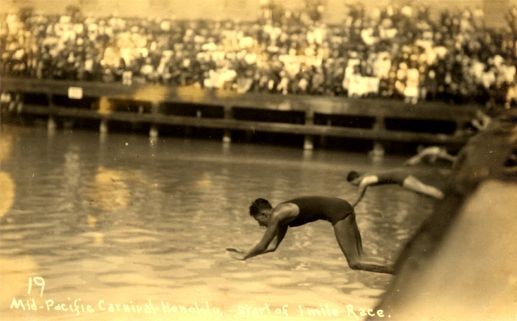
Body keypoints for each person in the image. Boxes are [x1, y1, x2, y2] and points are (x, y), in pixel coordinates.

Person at [226, 197, 394, 274]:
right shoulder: (281, 218)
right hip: (342, 206)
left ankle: (397, 270)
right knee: (361, 258)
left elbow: (263, 245)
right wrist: (245, 251)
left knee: (355, 263)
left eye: (258, 221)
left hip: (338, 212)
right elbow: (272, 247)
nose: (260, 225)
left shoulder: (278, 215)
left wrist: (244, 258)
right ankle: (398, 266)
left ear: (264, 214)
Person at [346, 170, 444, 206]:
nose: (355, 186)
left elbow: (359, 197)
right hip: (400, 175)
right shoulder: (366, 177)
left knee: (423, 190)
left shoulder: (364, 181)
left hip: (400, 178)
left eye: (353, 184)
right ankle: (441, 198)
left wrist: (350, 206)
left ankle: (443, 197)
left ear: (355, 179)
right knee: (422, 191)